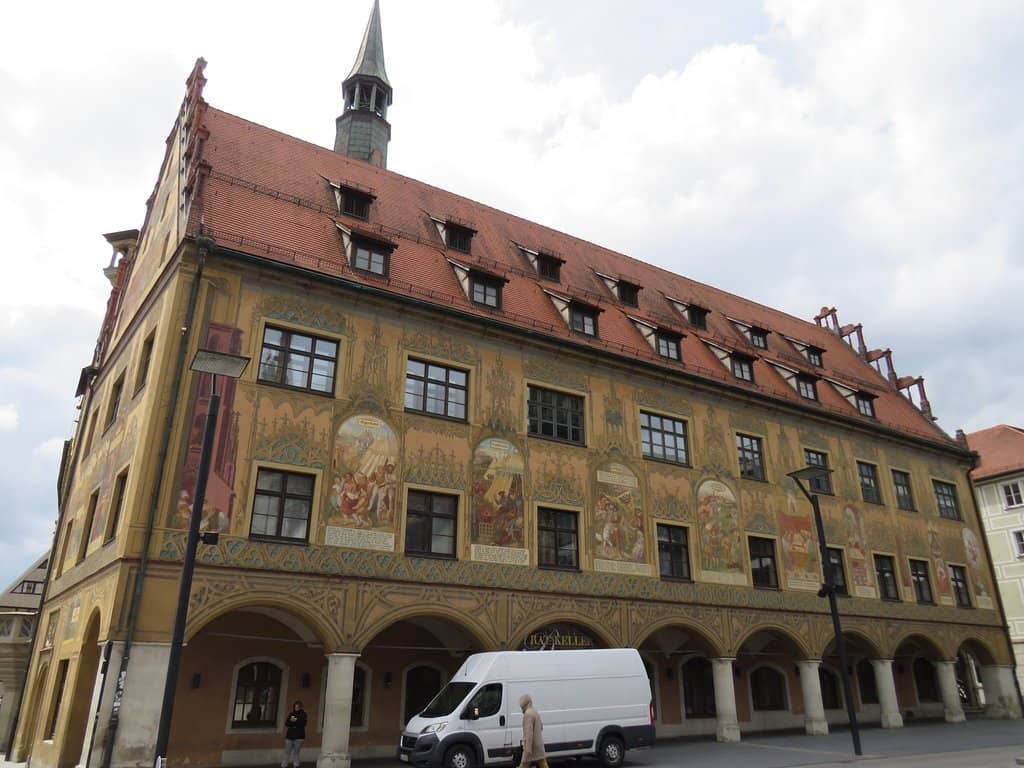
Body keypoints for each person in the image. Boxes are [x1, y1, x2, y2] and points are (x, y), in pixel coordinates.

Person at [517, 694, 548, 768]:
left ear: (523, 705)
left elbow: (529, 733)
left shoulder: (528, 714)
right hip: (538, 745)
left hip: (531, 747)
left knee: (523, 765)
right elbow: (541, 727)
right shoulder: (535, 712)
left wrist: (528, 749)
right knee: (543, 764)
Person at [282, 700, 307, 768]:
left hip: (299, 736)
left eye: (298, 707)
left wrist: (296, 721)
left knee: (296, 752)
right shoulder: (291, 714)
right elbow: (286, 723)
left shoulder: (303, 714)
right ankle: (284, 765)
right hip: (289, 735)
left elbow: (303, 723)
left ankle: (296, 765)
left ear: (300, 707)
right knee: (287, 751)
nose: (296, 708)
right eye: (295, 707)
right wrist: (291, 721)